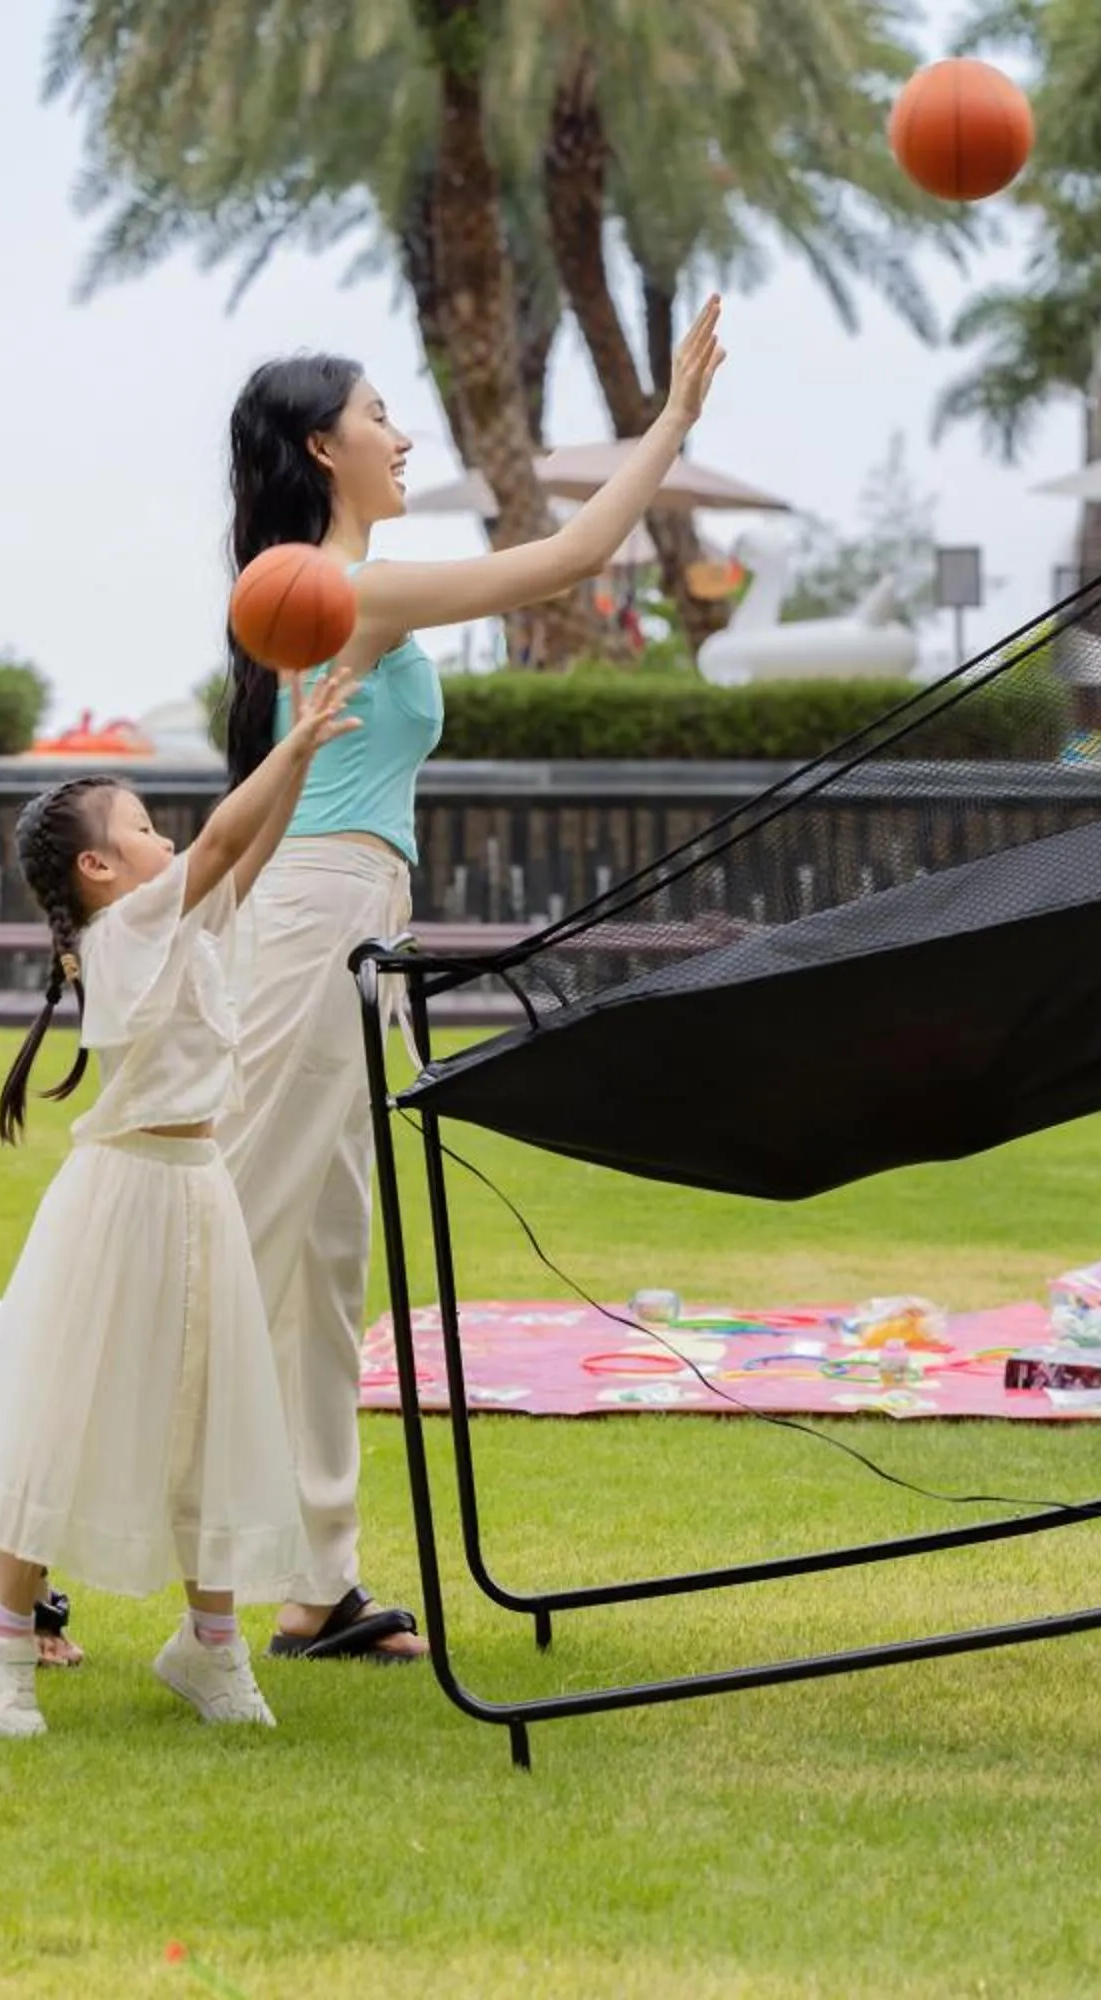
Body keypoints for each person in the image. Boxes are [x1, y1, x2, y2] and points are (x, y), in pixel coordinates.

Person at [211, 294, 731, 1662]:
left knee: (322, 1262)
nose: (403, 432)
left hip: (343, 926)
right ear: (322, 451)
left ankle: (315, 1585)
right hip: (314, 926)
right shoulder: (350, 591)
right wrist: (670, 423)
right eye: (380, 415)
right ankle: (13, 1533)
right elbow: (562, 558)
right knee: (235, 1241)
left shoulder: (325, 588)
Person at [0, 658, 369, 1737]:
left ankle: (210, 1644)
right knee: (69, 1408)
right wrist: (296, 741)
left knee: (210, 1407)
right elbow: (222, 841)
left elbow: (243, 855)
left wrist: (300, 767)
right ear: (98, 867)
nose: (163, 835)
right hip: (124, 1197)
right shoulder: (123, 931)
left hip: (197, 1189)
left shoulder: (173, 925)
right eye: (139, 826)